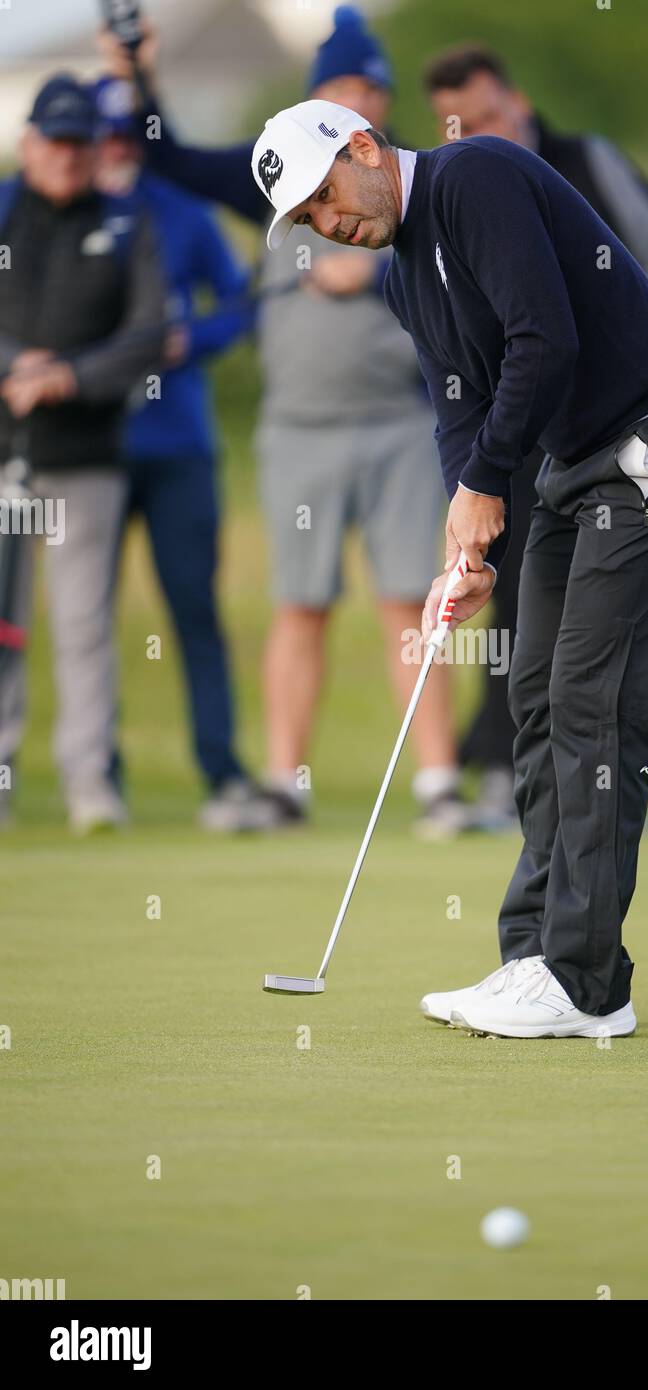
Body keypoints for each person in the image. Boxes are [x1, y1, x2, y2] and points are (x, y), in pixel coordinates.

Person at [250, 99, 648, 1037]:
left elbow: (541, 340)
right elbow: (458, 407)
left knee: (594, 699)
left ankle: (588, 985)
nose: (330, 226)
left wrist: (486, 481)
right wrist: (469, 541)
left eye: (325, 198)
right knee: (534, 691)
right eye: (310, 221)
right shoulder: (403, 280)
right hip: (574, 459)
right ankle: (534, 955)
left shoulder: (474, 176)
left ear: (362, 147)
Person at [99, 6, 465, 837]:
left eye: (373, 85)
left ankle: (439, 782)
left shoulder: (406, 177)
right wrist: (140, 77)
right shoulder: (275, 171)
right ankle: (284, 784)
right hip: (300, 426)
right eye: (344, 84)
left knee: (412, 602)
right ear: (316, 97)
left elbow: (454, 277)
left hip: (402, 419)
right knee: (302, 601)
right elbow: (171, 155)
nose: (361, 98)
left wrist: (367, 282)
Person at [423, 44, 648, 830]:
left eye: (485, 116)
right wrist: (472, 499)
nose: (474, 135)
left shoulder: (585, 159)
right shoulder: (451, 209)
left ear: (518, 100)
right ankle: (518, 788)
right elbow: (465, 383)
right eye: (457, 125)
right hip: (543, 435)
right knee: (525, 629)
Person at [93, 76, 280, 832]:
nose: (114, 152)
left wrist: (187, 340)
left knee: (194, 610)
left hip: (179, 445)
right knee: (85, 620)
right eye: (103, 138)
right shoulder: (60, 216)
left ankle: (222, 773)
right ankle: (96, 775)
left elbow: (239, 304)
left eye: (126, 137)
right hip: (92, 447)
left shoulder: (184, 213)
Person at [0, 74, 166, 832]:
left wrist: (67, 377)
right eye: (55, 142)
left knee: (81, 626)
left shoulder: (128, 223)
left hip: (85, 457)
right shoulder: (4, 212)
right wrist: (15, 366)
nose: (68, 157)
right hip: (7, 452)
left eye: (80, 144)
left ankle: (89, 785)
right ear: (31, 143)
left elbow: (147, 336)